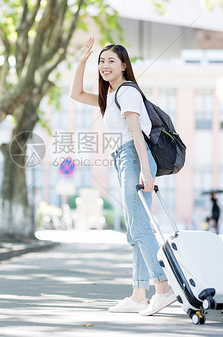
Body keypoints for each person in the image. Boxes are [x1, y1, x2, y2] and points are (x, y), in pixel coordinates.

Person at [70, 37, 176, 316]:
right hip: (122, 159)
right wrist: (82, 62)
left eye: (111, 61)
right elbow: (76, 95)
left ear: (124, 65)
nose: (105, 66)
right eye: (101, 61)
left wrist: (144, 169)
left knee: (140, 227)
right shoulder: (111, 95)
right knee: (134, 229)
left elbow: (135, 134)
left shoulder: (127, 92)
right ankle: (139, 294)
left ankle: (163, 289)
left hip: (133, 157)